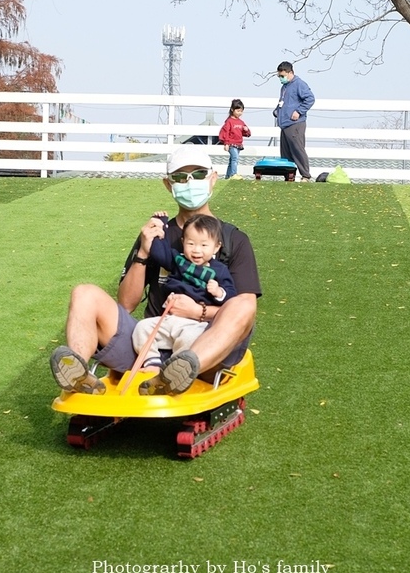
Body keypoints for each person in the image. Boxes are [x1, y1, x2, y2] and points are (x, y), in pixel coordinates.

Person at [50, 145, 261, 396]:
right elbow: (126, 304)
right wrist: (143, 253)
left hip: (206, 344)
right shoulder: (156, 234)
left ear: (213, 178)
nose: (190, 183)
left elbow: (242, 314)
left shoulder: (234, 240)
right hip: (151, 342)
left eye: (199, 174)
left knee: (246, 305)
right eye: (181, 178)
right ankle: (79, 374)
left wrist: (198, 310)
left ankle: (182, 370)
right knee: (84, 293)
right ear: (168, 184)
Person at [131, 214, 236, 375]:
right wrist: (161, 225)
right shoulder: (179, 261)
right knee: (142, 328)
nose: (196, 250)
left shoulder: (219, 271)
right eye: (191, 243)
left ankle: (176, 370)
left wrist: (219, 292)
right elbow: (160, 252)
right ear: (183, 243)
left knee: (191, 339)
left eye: (204, 245)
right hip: (168, 319)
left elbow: (232, 297)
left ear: (216, 247)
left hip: (194, 324)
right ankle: (152, 362)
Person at [273, 61, 315, 182]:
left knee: (297, 149)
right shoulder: (284, 87)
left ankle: (305, 175)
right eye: (279, 76)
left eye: (282, 76)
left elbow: (310, 98)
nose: (281, 78)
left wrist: (299, 111)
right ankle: (289, 176)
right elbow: (284, 102)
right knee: (285, 153)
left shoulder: (299, 84)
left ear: (290, 72)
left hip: (295, 124)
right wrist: (277, 111)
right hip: (284, 124)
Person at [218, 99, 251, 179]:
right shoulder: (229, 122)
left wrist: (246, 131)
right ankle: (234, 174)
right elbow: (226, 132)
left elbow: (246, 133)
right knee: (235, 158)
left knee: (232, 160)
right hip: (231, 144)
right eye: (238, 111)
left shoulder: (241, 122)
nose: (240, 113)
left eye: (241, 111)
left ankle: (228, 176)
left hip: (238, 144)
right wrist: (226, 144)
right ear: (232, 109)